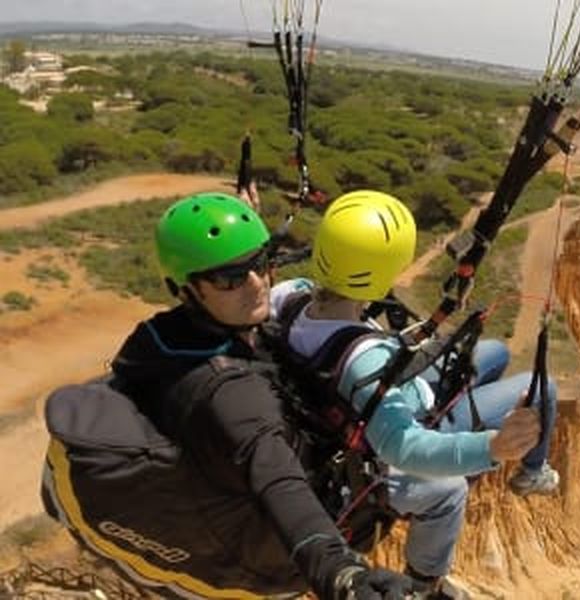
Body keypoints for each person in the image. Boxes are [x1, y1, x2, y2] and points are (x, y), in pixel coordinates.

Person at [88, 193, 412, 599]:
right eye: (230, 277)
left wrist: (236, 234)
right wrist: (343, 575)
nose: (257, 284)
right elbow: (280, 480)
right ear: (185, 289)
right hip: (252, 566)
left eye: (260, 263)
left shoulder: (160, 336)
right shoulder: (232, 395)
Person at [271, 190, 560, 598]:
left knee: (493, 354)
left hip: (351, 396)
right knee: (542, 389)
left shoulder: (288, 295)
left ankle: (530, 470)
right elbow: (403, 447)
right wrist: (492, 446)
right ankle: (427, 583)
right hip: (385, 433)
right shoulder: (365, 361)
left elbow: (349, 338)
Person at [236, 131, 261, 213]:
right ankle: (247, 142)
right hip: (246, 185)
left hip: (245, 185)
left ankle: (247, 142)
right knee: (246, 160)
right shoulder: (254, 202)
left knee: (246, 161)